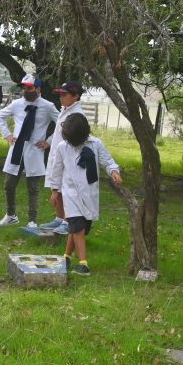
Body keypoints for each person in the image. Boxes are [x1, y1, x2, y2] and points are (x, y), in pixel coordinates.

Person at [47, 113, 121, 276]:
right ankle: (83, 264)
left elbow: (107, 160)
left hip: (89, 194)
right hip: (70, 195)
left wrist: (114, 171)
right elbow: (57, 170)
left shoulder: (95, 144)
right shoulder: (62, 147)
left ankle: (66, 257)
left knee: (78, 229)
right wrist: (54, 191)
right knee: (77, 228)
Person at [0, 74, 60, 228]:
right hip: (17, 149)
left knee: (33, 188)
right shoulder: (17, 104)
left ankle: (32, 220)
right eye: (24, 87)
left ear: (38, 88)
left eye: (29, 88)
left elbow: (62, 123)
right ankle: (11, 215)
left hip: (35, 150)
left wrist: (49, 141)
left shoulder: (48, 106)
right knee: (9, 184)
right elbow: (0, 115)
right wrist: (7, 135)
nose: (26, 90)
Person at [39, 81, 86, 235]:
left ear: (76, 96)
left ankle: (68, 221)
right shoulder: (64, 110)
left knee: (66, 189)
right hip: (56, 154)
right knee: (57, 187)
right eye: (60, 94)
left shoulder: (77, 114)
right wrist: (49, 143)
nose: (61, 97)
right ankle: (59, 217)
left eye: (64, 95)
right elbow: (59, 133)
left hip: (69, 156)